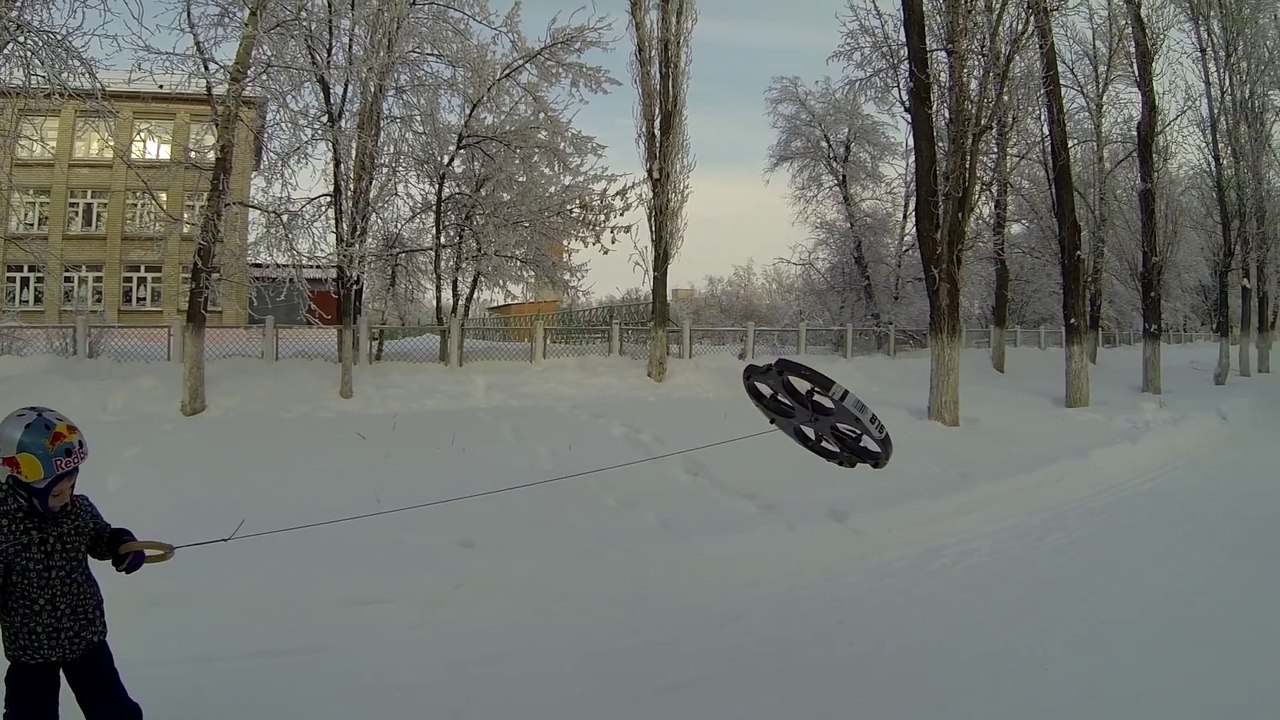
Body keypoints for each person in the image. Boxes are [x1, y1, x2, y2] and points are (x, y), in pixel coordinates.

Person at [0, 406, 147, 719]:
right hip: (30, 648)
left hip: (86, 636)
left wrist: (122, 544)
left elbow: (100, 538)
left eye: (70, 487)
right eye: (56, 493)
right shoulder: (4, 526)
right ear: (21, 484)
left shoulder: (77, 510)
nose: (66, 498)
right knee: (29, 713)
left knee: (113, 709)